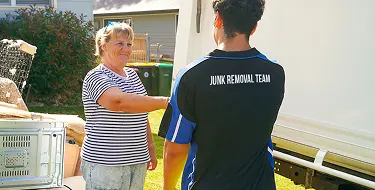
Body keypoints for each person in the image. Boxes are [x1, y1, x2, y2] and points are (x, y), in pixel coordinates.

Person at [158, 0, 285, 189]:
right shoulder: (275, 73)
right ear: (254, 27)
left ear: (218, 19)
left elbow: (176, 149)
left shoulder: (192, 76)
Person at [80, 22, 169, 190]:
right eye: (119, 43)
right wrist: (165, 102)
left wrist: (150, 147)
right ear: (103, 46)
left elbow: (141, 111)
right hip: (106, 162)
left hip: (136, 160)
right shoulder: (95, 76)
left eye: (129, 44)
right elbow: (117, 102)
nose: (126, 49)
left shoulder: (133, 76)